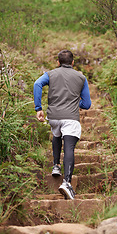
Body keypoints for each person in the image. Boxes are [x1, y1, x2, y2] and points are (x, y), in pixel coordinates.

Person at [33, 50, 91, 200]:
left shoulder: (50, 74)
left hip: (54, 116)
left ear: (58, 62)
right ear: (72, 63)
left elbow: (37, 84)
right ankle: (66, 182)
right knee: (69, 146)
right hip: (70, 117)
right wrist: (74, 101)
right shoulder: (81, 77)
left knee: (56, 134)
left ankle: (56, 165)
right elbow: (87, 104)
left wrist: (38, 108)